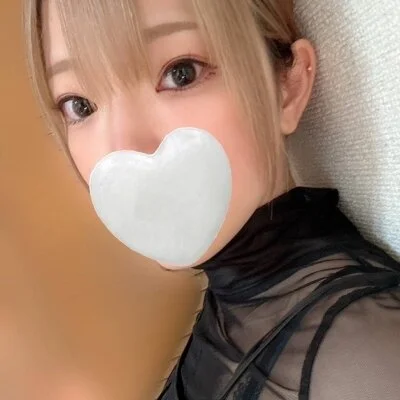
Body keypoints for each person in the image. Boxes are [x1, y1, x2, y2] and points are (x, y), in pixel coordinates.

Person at [24, 0, 400, 399]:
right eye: (80, 106)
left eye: (181, 73)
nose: (121, 148)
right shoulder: (235, 307)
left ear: (287, 88)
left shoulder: (363, 356)